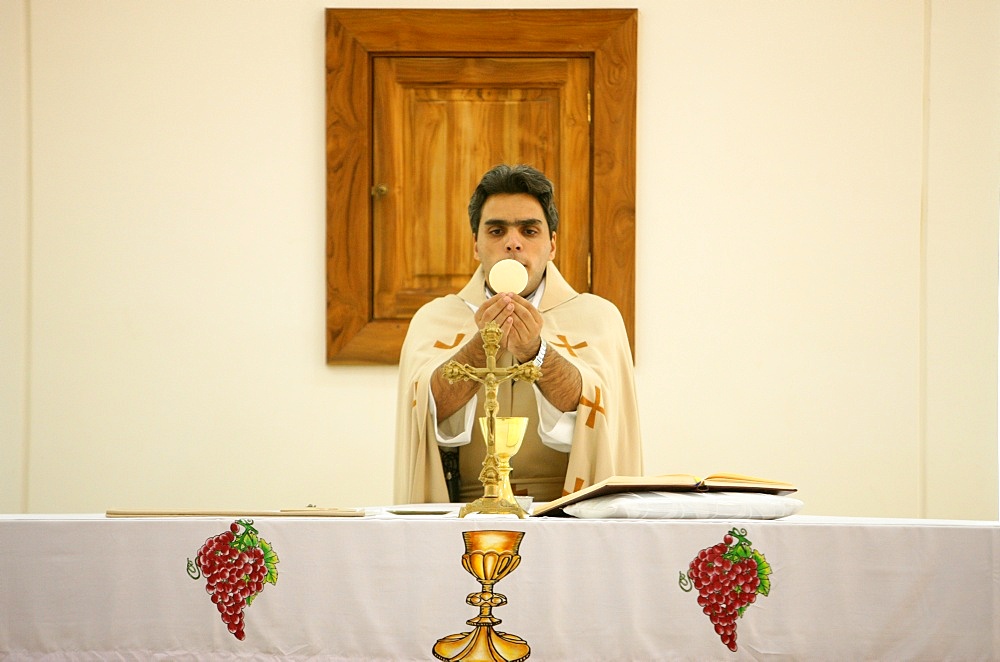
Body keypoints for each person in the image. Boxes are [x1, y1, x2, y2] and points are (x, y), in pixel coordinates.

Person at [394, 164, 642, 504]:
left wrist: (536, 352)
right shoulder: (434, 319)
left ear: (552, 244)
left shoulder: (598, 317)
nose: (513, 243)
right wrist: (483, 346)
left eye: (529, 231)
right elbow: (424, 410)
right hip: (464, 508)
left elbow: (597, 413)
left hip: (567, 505)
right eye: (496, 231)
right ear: (476, 246)